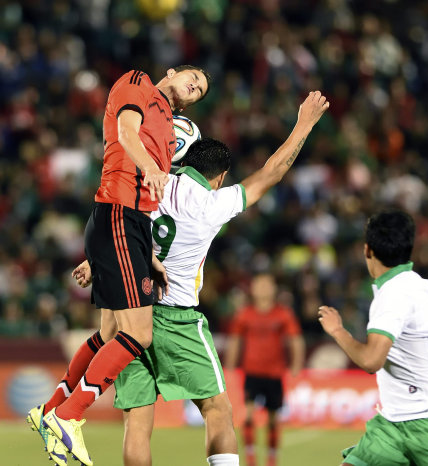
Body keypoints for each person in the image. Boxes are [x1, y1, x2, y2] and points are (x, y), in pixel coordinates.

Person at [71, 90, 329, 466]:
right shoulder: (212, 204)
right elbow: (271, 173)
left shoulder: (150, 187)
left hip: (133, 312)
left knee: (138, 423)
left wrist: (96, 262)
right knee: (218, 410)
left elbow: (121, 229)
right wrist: (304, 122)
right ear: (220, 177)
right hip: (177, 318)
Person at [27, 65, 211, 466]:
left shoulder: (168, 124)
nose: (196, 87)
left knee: (110, 331)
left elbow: (149, 199)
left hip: (130, 227)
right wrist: (149, 168)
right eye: (193, 78)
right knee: (138, 335)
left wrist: (147, 256)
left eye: (200, 91)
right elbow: (125, 134)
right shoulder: (138, 82)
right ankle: (67, 417)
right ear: (172, 72)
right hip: (119, 214)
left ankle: (50, 409)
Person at [318, 210, 428, 466]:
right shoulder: (427, 288)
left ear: (367, 250)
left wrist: (338, 331)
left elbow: (371, 361)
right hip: (392, 424)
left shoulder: (392, 296)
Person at [224, 273, 305, 466]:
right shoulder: (245, 314)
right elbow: (235, 340)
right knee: (249, 416)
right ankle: (251, 459)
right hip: (252, 372)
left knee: (272, 420)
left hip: (275, 373)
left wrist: (296, 365)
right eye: (259, 285)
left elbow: (296, 340)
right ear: (252, 289)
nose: (262, 289)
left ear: (274, 289)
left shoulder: (283, 314)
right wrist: (229, 366)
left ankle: (271, 459)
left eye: (266, 285)